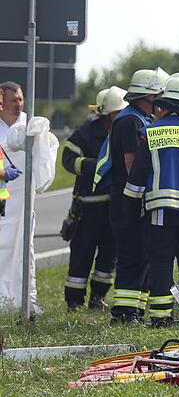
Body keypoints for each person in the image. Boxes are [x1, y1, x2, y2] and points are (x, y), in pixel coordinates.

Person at [123, 74, 179, 326]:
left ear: (164, 105)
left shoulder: (149, 133)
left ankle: (161, 318)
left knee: (161, 265)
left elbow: (137, 177)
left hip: (160, 213)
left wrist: (129, 210)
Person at [96, 68, 169, 322]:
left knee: (140, 257)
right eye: (158, 96)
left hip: (133, 200)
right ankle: (124, 313)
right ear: (146, 96)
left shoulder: (139, 118)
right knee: (131, 256)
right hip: (129, 201)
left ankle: (134, 310)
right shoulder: (131, 122)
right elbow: (131, 164)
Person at [61, 86, 126, 311]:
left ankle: (98, 298)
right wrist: (96, 166)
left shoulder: (123, 130)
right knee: (81, 255)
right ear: (107, 113)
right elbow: (68, 158)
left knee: (109, 256)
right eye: (117, 113)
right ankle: (74, 301)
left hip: (113, 207)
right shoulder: (86, 132)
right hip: (88, 208)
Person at [0, 81, 58, 312]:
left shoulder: (30, 126)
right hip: (4, 197)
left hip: (22, 202)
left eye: (21, 99)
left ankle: (23, 300)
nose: (18, 105)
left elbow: (46, 155)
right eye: (13, 100)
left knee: (24, 250)